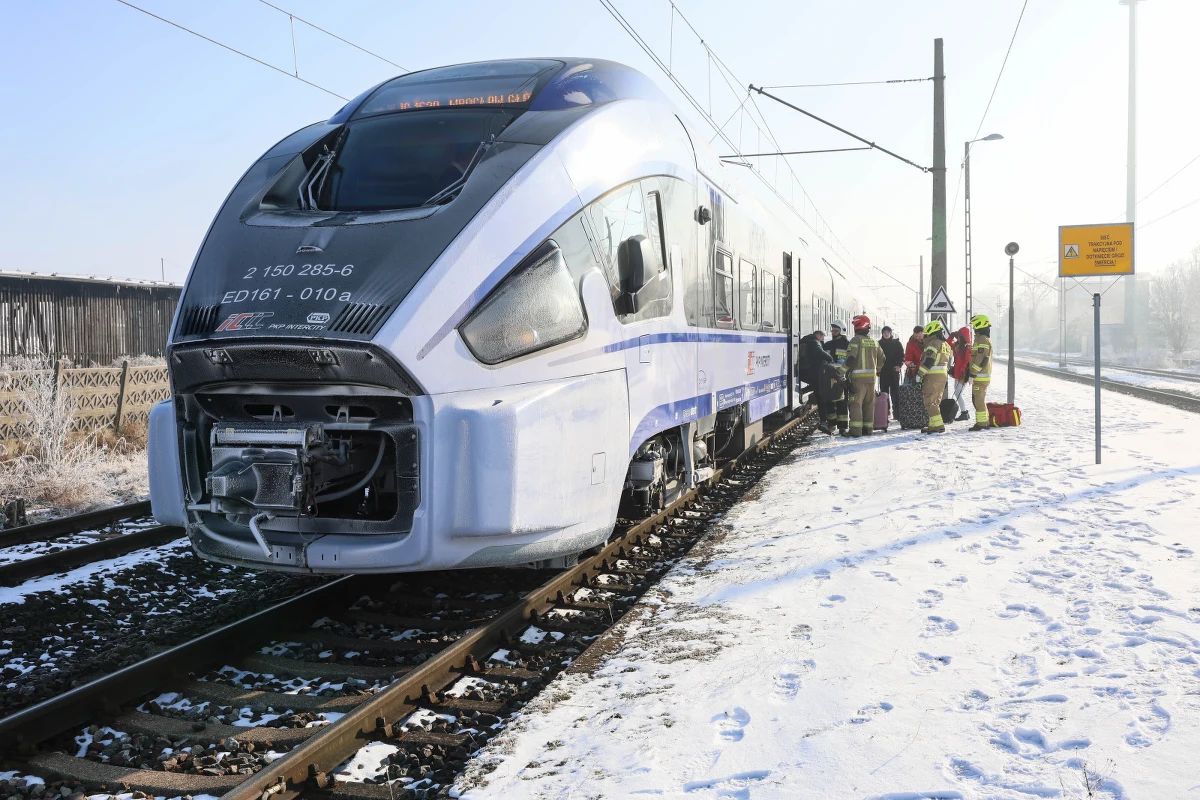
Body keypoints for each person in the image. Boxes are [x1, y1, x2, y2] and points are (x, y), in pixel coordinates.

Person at [844, 315, 882, 437]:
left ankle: (855, 431)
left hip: (858, 380)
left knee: (856, 404)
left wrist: (840, 372)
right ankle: (868, 430)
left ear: (856, 327)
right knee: (869, 404)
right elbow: (883, 359)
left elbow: (850, 359)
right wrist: (877, 370)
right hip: (872, 380)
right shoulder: (875, 342)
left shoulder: (856, 340)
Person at [915, 319, 953, 434]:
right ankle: (932, 425)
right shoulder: (945, 344)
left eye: (927, 333)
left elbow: (929, 361)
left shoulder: (934, 343)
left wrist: (919, 374)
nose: (926, 335)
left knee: (930, 402)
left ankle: (939, 426)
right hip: (942, 376)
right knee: (935, 401)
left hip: (933, 377)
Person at [798, 330, 834, 432]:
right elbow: (819, 352)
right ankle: (823, 422)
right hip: (812, 372)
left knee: (817, 390)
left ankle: (803, 391)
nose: (823, 339)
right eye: (822, 336)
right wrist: (830, 358)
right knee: (821, 396)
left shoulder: (806, 340)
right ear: (818, 335)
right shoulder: (814, 342)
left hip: (806, 372)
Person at [823, 320, 851, 434]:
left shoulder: (847, 345)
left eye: (836, 330)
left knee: (842, 403)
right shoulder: (827, 345)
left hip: (842, 377)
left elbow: (850, 361)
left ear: (842, 331)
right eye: (833, 330)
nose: (834, 332)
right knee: (830, 402)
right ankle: (831, 425)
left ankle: (843, 427)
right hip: (829, 377)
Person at [967, 314, 994, 431]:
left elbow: (981, 359)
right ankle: (983, 422)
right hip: (980, 376)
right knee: (977, 399)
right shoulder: (981, 339)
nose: (973, 328)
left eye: (974, 326)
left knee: (979, 400)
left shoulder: (982, 339)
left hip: (980, 376)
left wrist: (972, 373)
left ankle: (982, 424)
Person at [877, 325, 905, 419]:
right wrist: (877, 369)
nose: (886, 334)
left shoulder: (896, 343)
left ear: (890, 333)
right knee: (884, 392)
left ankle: (896, 411)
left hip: (894, 371)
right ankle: (885, 411)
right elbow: (875, 357)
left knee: (895, 392)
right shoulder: (878, 344)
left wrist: (899, 365)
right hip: (883, 371)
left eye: (888, 332)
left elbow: (902, 356)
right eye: (884, 332)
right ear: (882, 334)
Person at [949, 326, 973, 421]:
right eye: (957, 336)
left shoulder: (968, 347)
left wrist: (963, 371)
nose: (958, 338)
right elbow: (947, 344)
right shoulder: (956, 346)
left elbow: (967, 360)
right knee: (957, 392)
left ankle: (964, 413)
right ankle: (964, 413)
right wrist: (951, 336)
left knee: (958, 393)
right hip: (957, 372)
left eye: (959, 336)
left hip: (963, 374)